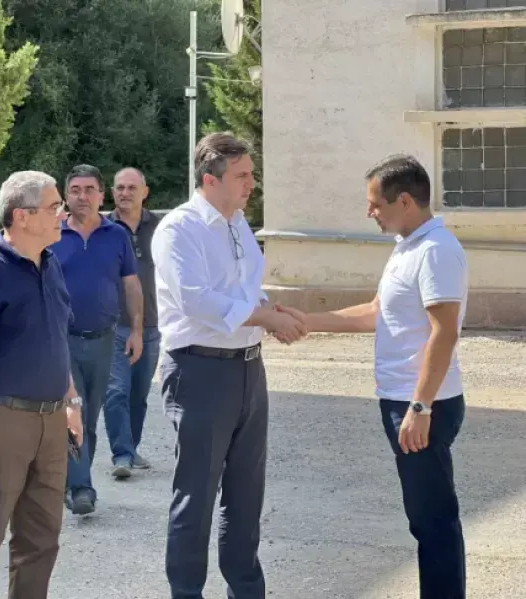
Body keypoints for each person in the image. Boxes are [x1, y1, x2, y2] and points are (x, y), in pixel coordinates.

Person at [275, 154, 469, 599]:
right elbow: (376, 313)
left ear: (404, 201)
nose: (370, 212)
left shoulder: (436, 251)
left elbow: (444, 332)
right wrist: (308, 320)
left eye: (375, 204)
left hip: (424, 405)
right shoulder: (408, 246)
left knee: (434, 520)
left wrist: (420, 406)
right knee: (424, 517)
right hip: (407, 401)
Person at [152, 131, 306, 599]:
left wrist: (269, 308)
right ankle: (186, 592)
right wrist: (264, 317)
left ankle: (246, 590)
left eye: (251, 174)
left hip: (247, 370)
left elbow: (243, 293)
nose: (251, 184)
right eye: (241, 175)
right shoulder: (179, 230)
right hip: (198, 371)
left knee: (245, 495)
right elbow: (196, 301)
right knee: (196, 496)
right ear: (209, 179)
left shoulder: (238, 225)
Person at [0, 171, 83, 599]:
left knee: (41, 540)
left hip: (52, 421)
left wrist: (71, 401)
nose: (63, 213)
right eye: (54, 206)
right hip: (3, 420)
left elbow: (54, 339)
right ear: (22, 216)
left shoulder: (51, 263)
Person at [50, 163, 143, 515]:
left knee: (89, 417)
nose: (83, 196)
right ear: (66, 195)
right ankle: (81, 488)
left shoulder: (116, 235)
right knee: (73, 409)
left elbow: (131, 285)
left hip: (105, 339)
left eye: (89, 189)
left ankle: (71, 479)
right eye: (75, 190)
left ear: (101, 195)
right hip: (62, 340)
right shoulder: (53, 234)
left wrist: (136, 331)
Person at [103, 167, 162, 478]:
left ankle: (131, 447)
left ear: (145, 192)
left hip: (152, 324)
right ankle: (122, 455)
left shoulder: (162, 228)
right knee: (116, 391)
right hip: (113, 325)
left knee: (139, 394)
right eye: (119, 188)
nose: (124, 193)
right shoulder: (102, 229)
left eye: (131, 188)